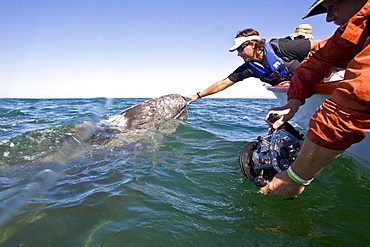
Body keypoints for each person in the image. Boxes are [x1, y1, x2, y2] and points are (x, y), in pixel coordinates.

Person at [260, 0, 370, 198]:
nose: (328, 18)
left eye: (333, 6)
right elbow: (316, 62)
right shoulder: (357, 27)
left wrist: (296, 177)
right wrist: (292, 103)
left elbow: (359, 96)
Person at [183, 28, 320, 104]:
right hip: (295, 93)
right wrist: (198, 95)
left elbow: (319, 45)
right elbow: (223, 84)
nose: (238, 54)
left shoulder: (281, 47)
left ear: (253, 45)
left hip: (316, 81)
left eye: (240, 49)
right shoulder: (249, 68)